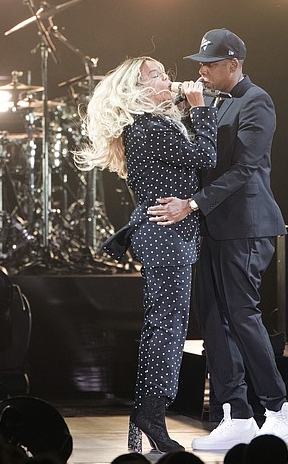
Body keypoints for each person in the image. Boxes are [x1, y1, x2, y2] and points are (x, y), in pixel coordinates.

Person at [147, 28, 288, 450]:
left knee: (241, 314)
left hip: (246, 226)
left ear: (233, 64)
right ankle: (236, 413)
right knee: (213, 319)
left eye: (211, 64)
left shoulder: (257, 102)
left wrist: (191, 205)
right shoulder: (205, 102)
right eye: (201, 63)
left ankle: (280, 409)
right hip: (210, 227)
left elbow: (244, 169)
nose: (202, 71)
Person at [75, 57, 217, 453]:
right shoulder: (149, 127)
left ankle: (150, 413)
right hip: (165, 238)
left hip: (169, 237)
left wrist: (191, 113)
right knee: (166, 332)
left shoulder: (155, 125)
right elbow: (204, 159)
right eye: (156, 76)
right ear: (135, 91)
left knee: (166, 330)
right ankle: (152, 414)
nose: (167, 79)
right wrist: (202, 110)